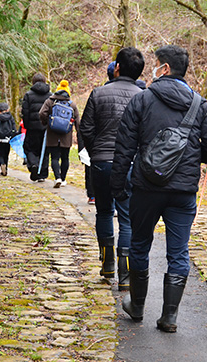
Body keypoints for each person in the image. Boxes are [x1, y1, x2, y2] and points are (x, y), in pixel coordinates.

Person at [111, 44, 207, 332]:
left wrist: (118, 186)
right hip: (183, 191)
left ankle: (136, 307)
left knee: (140, 243)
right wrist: (193, 159)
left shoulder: (142, 100)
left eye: (156, 64)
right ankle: (169, 317)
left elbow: (124, 146)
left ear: (164, 69)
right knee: (179, 251)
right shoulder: (201, 105)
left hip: (146, 187)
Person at [81, 50, 144, 291]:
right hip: (131, 163)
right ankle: (125, 274)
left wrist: (95, 150)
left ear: (117, 67)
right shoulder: (143, 96)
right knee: (127, 217)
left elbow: (86, 128)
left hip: (102, 162)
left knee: (104, 212)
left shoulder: (99, 93)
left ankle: (107, 265)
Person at [39, 80, 80, 188]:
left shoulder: (50, 102)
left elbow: (41, 113)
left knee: (55, 157)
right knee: (65, 158)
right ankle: (63, 178)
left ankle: (57, 177)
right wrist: (78, 132)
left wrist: (47, 122)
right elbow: (78, 121)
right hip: (66, 135)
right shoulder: (72, 104)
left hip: (52, 134)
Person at [21, 73, 52, 181]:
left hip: (32, 127)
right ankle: (42, 174)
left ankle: (33, 164)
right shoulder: (50, 95)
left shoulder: (28, 95)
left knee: (29, 148)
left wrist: (26, 125)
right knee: (44, 150)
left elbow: (25, 112)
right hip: (46, 128)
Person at [0, 102, 17, 176]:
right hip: (8, 138)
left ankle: (2, 164)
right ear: (7, 109)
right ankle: (6, 168)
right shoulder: (11, 118)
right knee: (6, 153)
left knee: (0, 153)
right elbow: (14, 128)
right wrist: (14, 137)